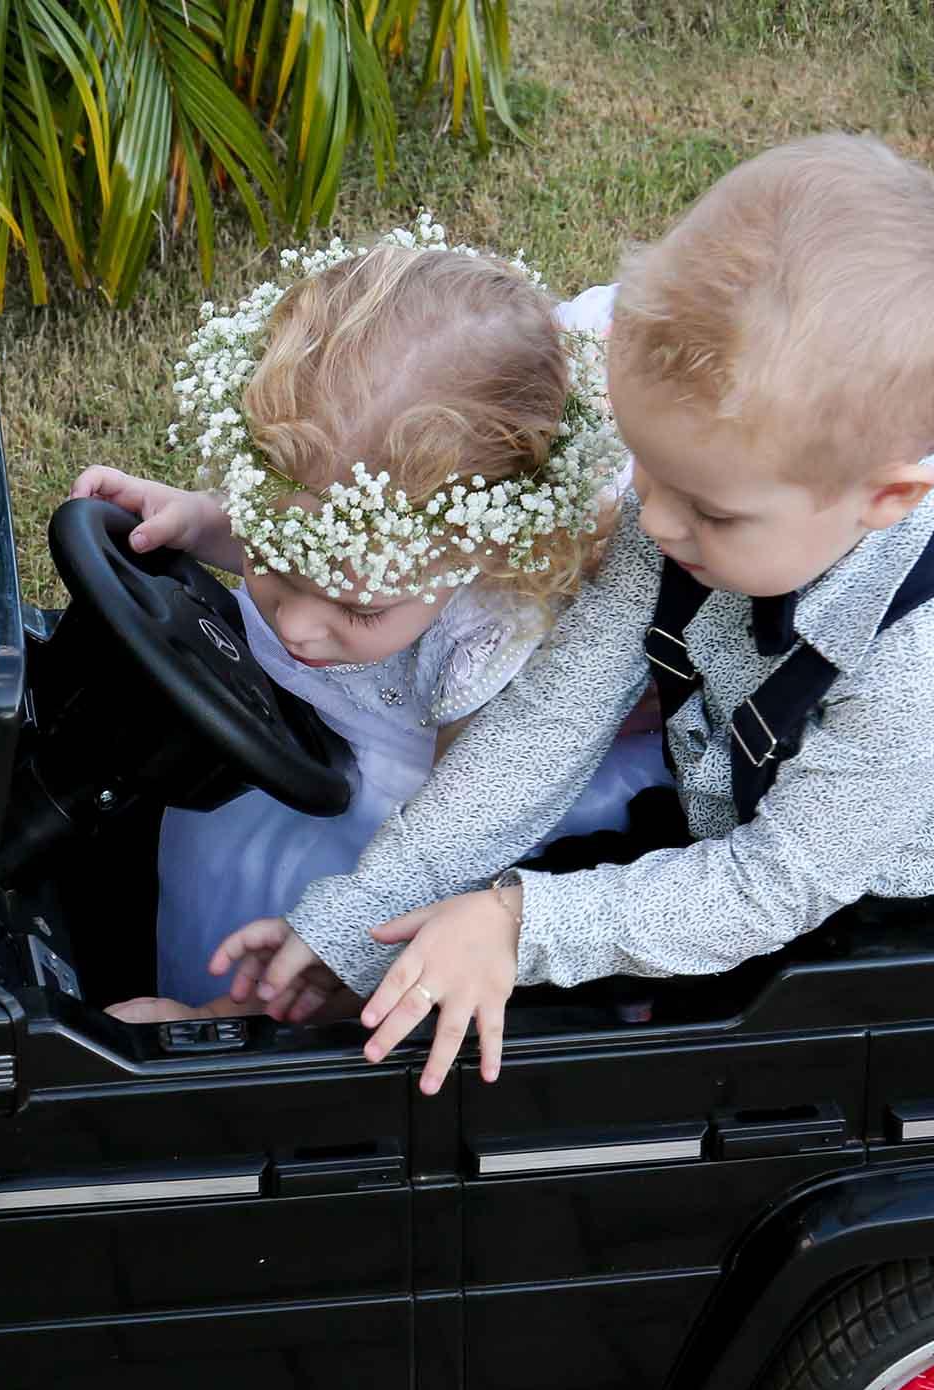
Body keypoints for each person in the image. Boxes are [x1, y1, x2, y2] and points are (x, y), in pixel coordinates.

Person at [206, 134, 934, 1093]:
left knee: (529, 1043)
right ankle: (276, 1033)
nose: (652, 520)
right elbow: (551, 721)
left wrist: (518, 924)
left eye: (707, 508)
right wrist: (360, 916)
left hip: (886, 938)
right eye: (646, 469)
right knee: (455, 940)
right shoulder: (704, 508)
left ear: (886, 498)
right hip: (728, 830)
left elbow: (775, 886)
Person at [75, 221, 651, 1021]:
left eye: (357, 607)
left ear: (478, 547)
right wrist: (204, 522)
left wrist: (263, 1005)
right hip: (292, 748)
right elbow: (311, 542)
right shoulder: (351, 531)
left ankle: (252, 1025)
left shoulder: (486, 638)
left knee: (286, 934)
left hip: (395, 818)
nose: (301, 628)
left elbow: (450, 851)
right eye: (275, 559)